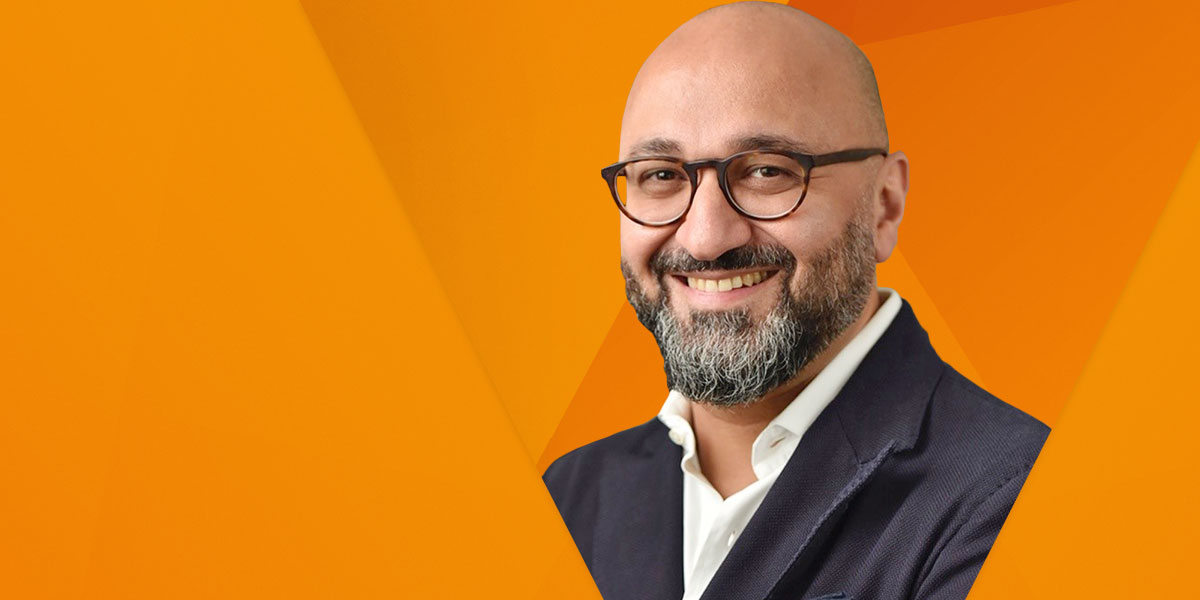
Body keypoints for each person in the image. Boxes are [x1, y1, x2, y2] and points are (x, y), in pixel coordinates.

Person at [542, 3, 1049, 600]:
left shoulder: (1017, 502)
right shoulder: (570, 497)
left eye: (766, 171)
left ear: (885, 205)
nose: (705, 237)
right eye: (661, 176)